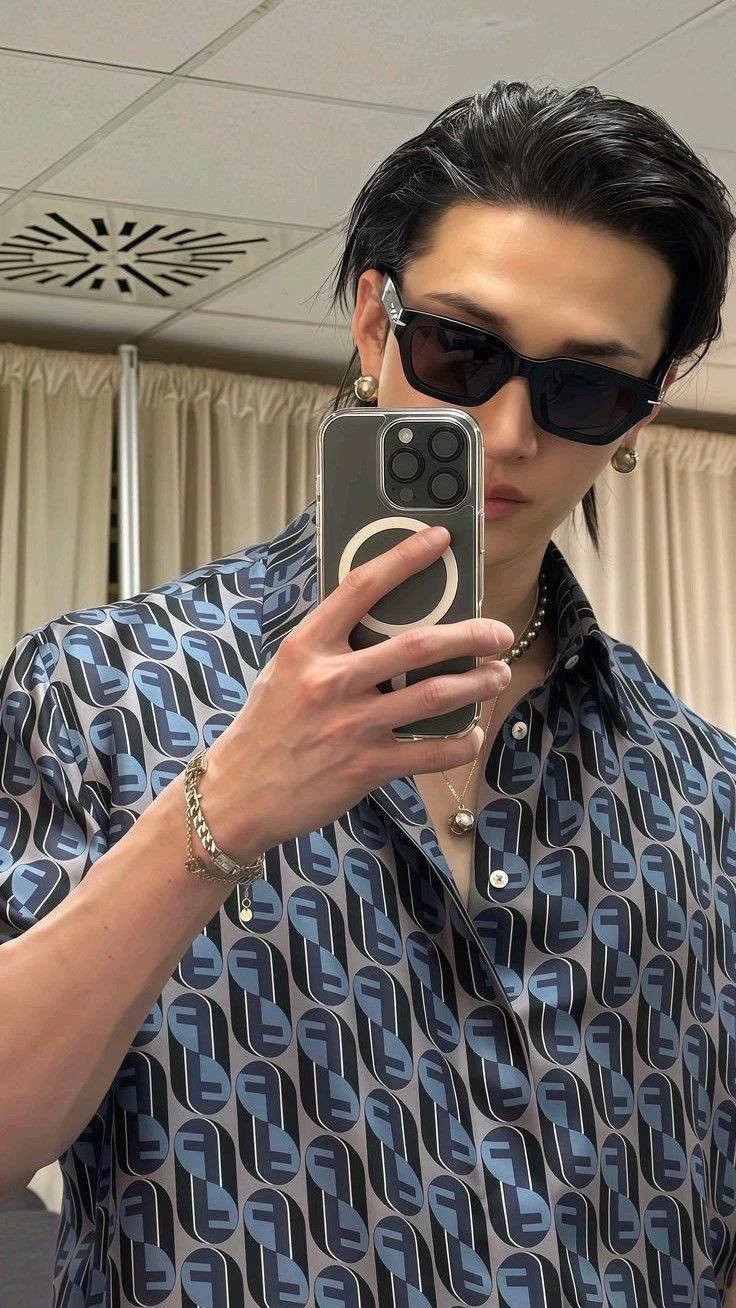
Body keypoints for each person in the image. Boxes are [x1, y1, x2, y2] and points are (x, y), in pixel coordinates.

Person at [1, 80, 735, 1308]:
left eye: (585, 389)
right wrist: (220, 814)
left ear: (640, 416)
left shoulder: (705, 796)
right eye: (462, 351)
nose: (507, 431)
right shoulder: (106, 687)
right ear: (371, 323)